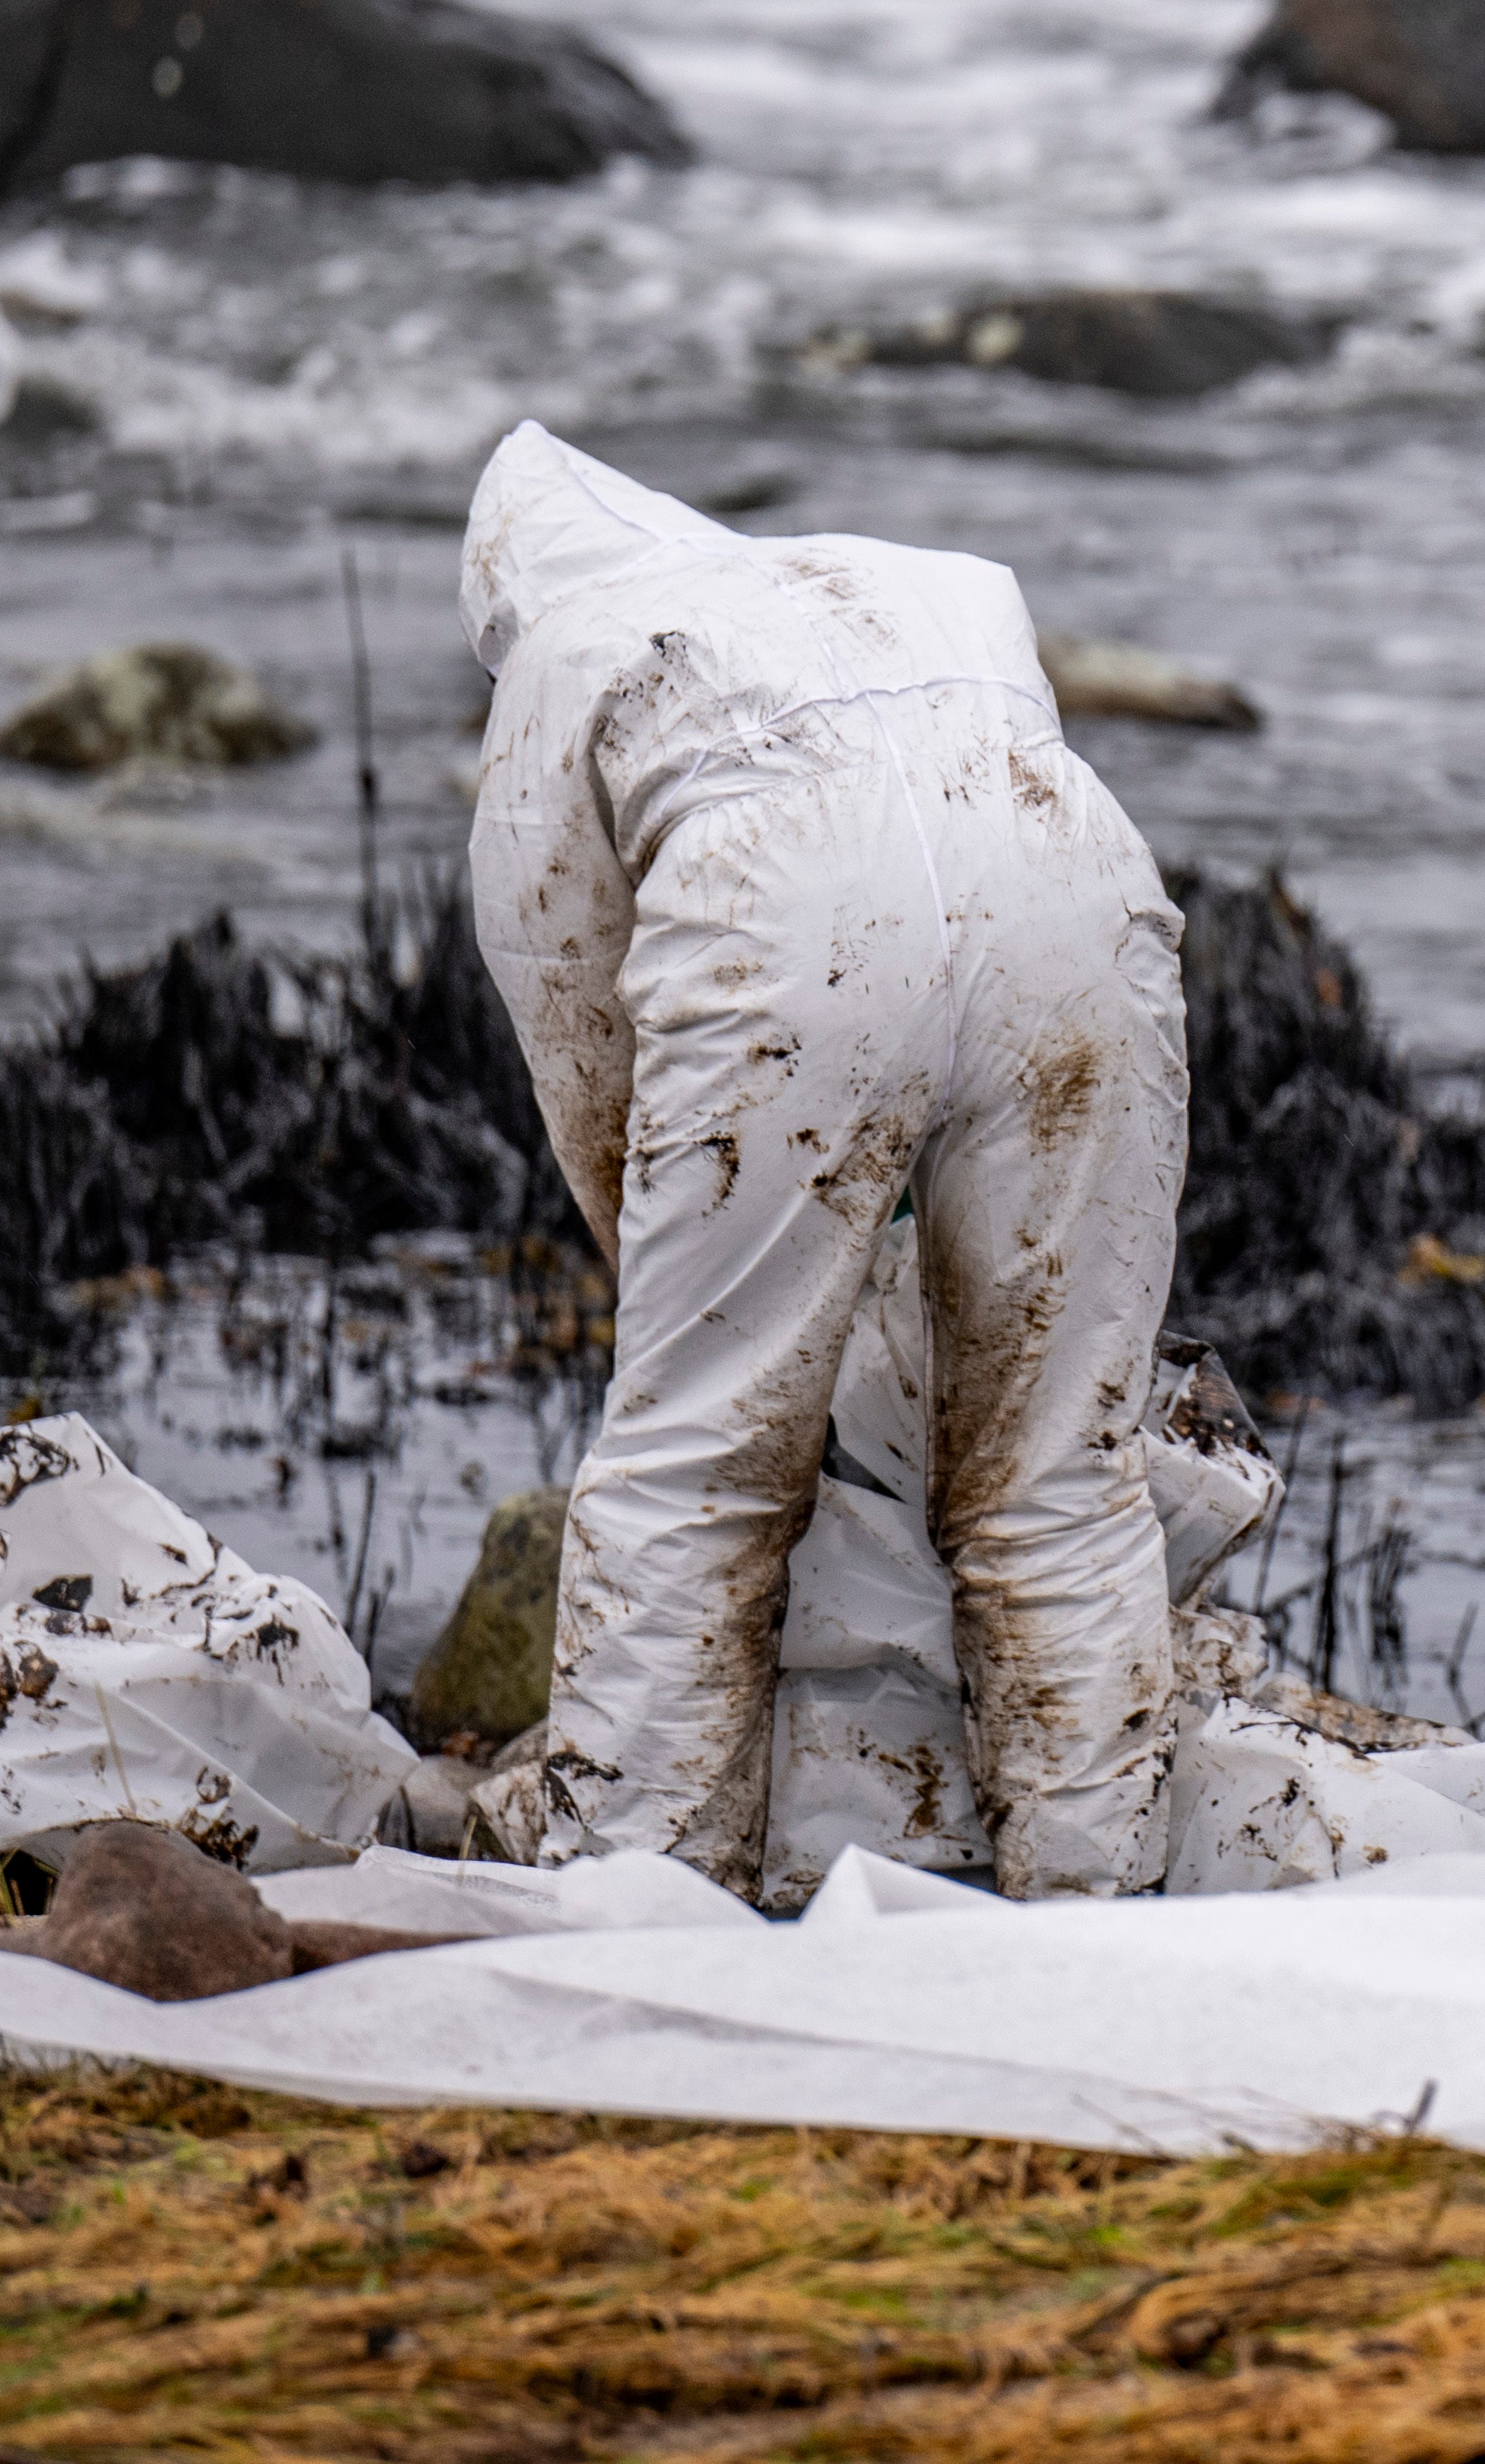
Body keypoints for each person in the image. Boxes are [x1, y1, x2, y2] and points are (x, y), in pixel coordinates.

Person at [454, 424, 1191, 1902]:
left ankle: (653, 1912)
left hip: (785, 922)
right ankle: (1099, 1918)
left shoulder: (564, 656)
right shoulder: (925, 584)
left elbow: (582, 1033)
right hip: (1083, 897)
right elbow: (965, 868)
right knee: (1058, 1467)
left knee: (696, 1460)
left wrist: (714, 1275)